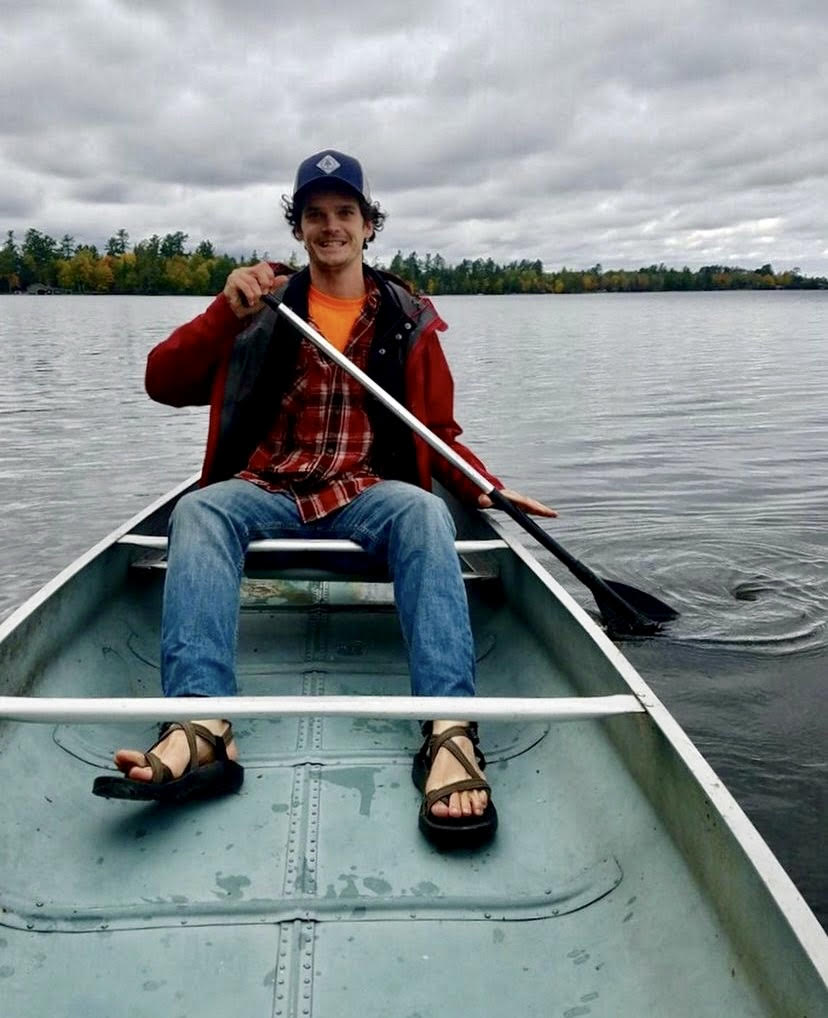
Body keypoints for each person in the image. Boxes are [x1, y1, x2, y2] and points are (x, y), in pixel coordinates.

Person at [92, 150, 556, 847]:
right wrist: (224, 312)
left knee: (425, 510)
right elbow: (163, 381)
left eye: (346, 213)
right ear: (299, 227)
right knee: (199, 509)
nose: (331, 226)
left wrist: (486, 486)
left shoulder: (408, 316)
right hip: (268, 485)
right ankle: (201, 725)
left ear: (370, 226)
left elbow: (436, 431)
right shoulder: (259, 302)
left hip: (365, 490)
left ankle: (449, 732)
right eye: (316, 215)